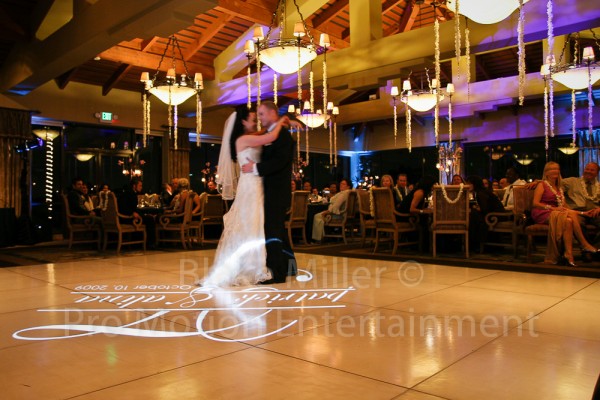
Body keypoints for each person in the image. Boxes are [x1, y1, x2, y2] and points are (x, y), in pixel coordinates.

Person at [202, 105, 292, 287]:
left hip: (258, 185)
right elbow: (271, 136)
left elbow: (265, 133)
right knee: (252, 223)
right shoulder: (243, 139)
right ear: (243, 122)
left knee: (257, 224)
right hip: (251, 186)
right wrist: (281, 120)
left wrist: (275, 123)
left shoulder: (251, 136)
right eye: (253, 118)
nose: (256, 120)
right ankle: (251, 264)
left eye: (259, 116)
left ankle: (265, 262)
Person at [241, 101, 298, 284]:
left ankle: (278, 274)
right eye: (258, 114)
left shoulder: (283, 137)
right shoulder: (270, 134)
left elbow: (279, 162)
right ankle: (290, 267)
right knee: (278, 230)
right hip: (267, 191)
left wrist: (255, 168)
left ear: (273, 113)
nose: (260, 118)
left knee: (272, 231)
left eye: (262, 114)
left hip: (276, 192)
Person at [531, 162, 598, 266]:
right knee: (570, 216)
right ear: (546, 172)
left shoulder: (559, 187)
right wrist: (553, 208)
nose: (555, 171)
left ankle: (568, 254)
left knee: (569, 220)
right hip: (543, 212)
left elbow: (565, 207)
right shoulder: (542, 184)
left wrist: (584, 213)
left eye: (557, 169)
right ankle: (584, 244)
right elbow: (535, 203)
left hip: (561, 212)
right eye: (551, 169)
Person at [466, 175, 505, 250]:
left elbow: (485, 209)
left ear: (475, 184)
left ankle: (475, 244)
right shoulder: (482, 192)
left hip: (496, 215)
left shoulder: (481, 193)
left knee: (474, 216)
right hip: (493, 214)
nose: (467, 186)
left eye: (469, 183)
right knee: (473, 215)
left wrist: (475, 208)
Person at [312, 178, 351, 243]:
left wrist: (326, 212)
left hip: (338, 215)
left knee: (317, 216)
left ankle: (319, 238)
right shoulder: (349, 193)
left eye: (343, 184)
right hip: (343, 214)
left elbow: (336, 206)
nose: (341, 185)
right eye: (341, 183)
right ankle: (324, 236)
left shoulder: (344, 194)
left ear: (348, 186)